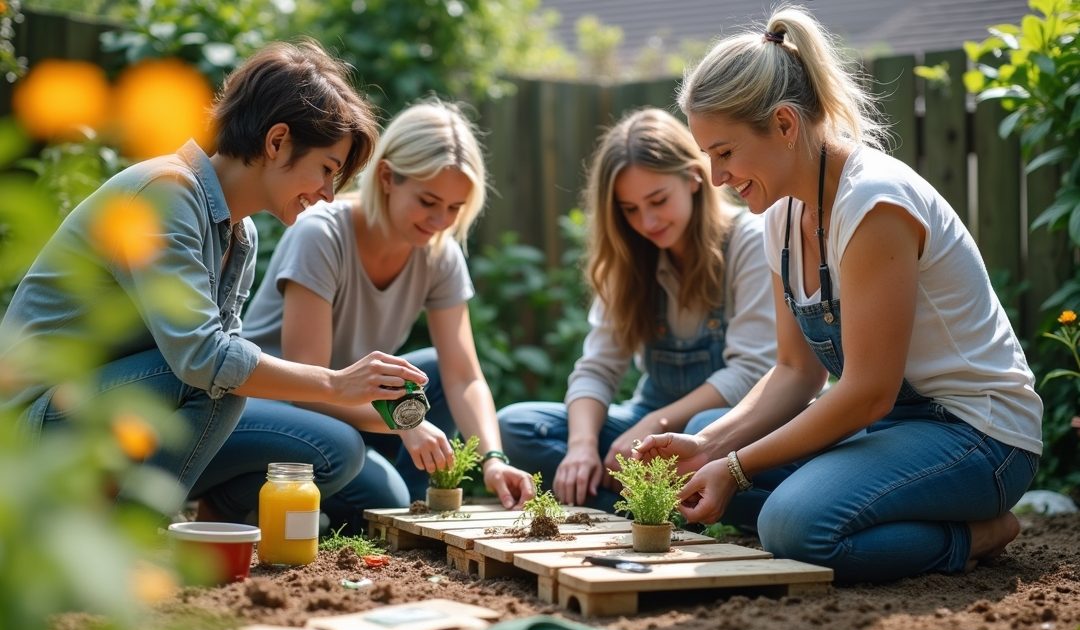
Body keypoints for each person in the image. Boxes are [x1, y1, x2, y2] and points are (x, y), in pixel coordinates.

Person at [633, 6, 1043, 583]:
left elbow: (870, 392)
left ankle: (975, 534)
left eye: (724, 152)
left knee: (792, 528)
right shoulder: (781, 213)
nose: (716, 177)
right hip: (890, 430)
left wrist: (736, 465)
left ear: (783, 124)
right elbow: (794, 372)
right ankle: (849, 505)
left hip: (976, 436)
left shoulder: (874, 204)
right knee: (712, 445)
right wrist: (706, 445)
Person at [0, 40, 429, 516]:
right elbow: (204, 359)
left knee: (320, 450)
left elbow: (222, 359)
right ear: (276, 141)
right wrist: (333, 383)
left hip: (114, 409)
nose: (329, 195)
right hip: (30, 423)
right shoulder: (166, 193)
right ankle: (131, 540)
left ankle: (207, 535)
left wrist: (387, 412)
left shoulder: (238, 234)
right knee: (217, 385)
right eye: (327, 170)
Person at [190, 100, 536, 534]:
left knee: (431, 374)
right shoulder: (321, 234)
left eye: (454, 208)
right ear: (388, 177)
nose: (439, 221)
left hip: (349, 402)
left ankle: (409, 515)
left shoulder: (439, 253)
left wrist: (493, 460)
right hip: (275, 402)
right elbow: (310, 388)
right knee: (369, 479)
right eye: (428, 201)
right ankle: (233, 501)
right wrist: (407, 421)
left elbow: (464, 376)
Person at [497, 108, 776, 511]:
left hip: (728, 430)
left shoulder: (748, 239)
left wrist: (658, 423)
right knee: (517, 426)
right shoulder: (629, 259)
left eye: (657, 200)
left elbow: (750, 373)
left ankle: (641, 503)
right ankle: (651, 508)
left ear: (694, 178)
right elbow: (597, 368)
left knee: (700, 427)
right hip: (646, 424)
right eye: (629, 209)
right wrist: (580, 449)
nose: (646, 221)